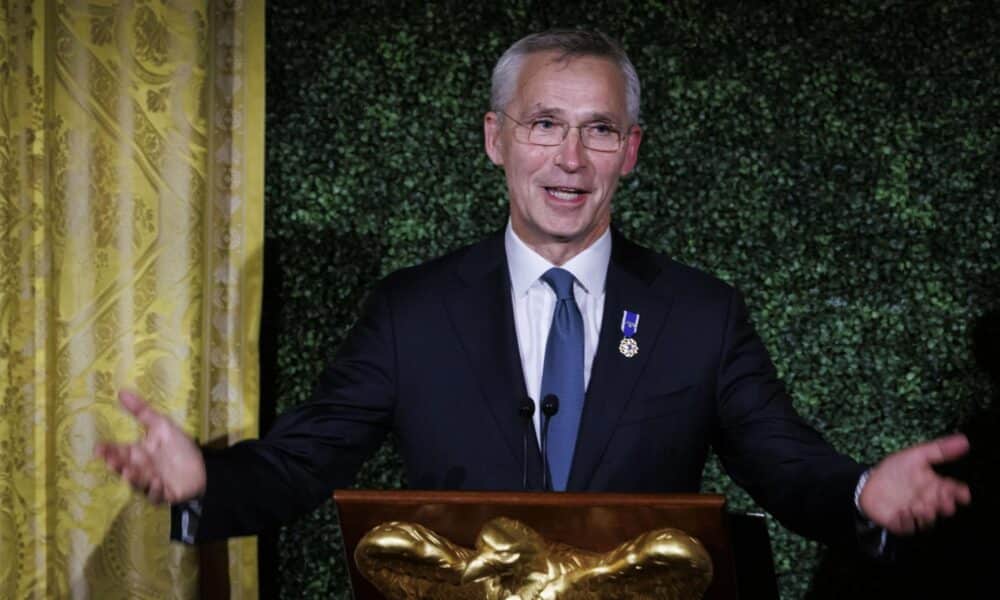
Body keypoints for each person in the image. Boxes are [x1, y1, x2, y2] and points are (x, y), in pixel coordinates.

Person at [97, 30, 970, 548]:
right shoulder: (414, 311)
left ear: (631, 150)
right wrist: (203, 479)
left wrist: (861, 494)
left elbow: (782, 459)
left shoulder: (700, 313)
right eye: (544, 125)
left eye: (599, 131)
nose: (570, 159)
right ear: (496, 139)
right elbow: (302, 461)